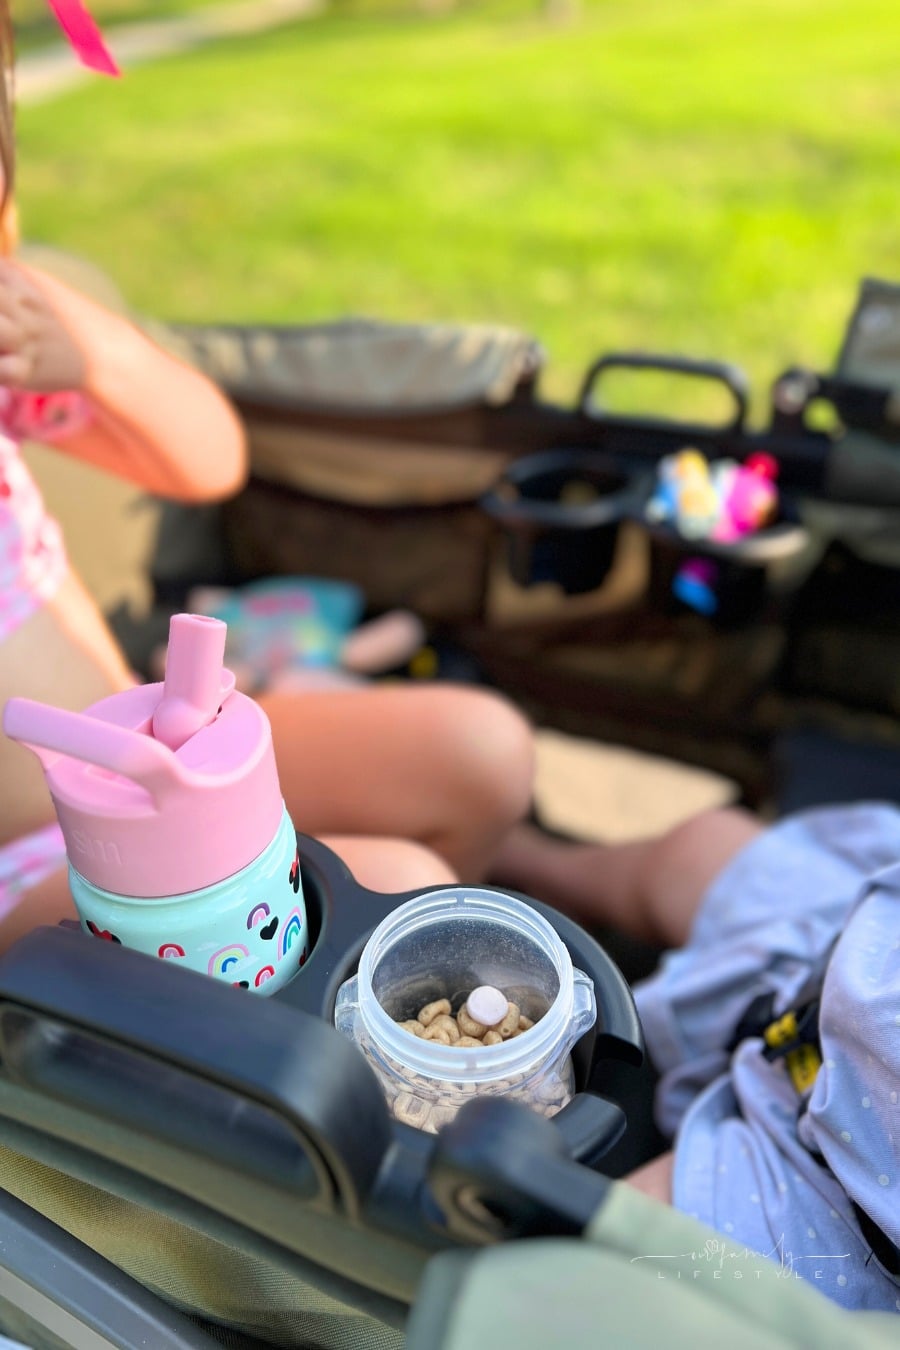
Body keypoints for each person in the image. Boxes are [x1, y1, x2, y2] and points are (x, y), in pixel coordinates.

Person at [0, 3, 534, 954]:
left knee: (483, 753)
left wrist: (100, 358)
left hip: (151, 765)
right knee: (407, 889)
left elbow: (210, 463)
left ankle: (486, 916)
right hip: (29, 878)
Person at [493, 804, 900, 1313]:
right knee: (696, 851)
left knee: (592, 1281)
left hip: (838, 1213)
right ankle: (531, 862)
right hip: (847, 954)